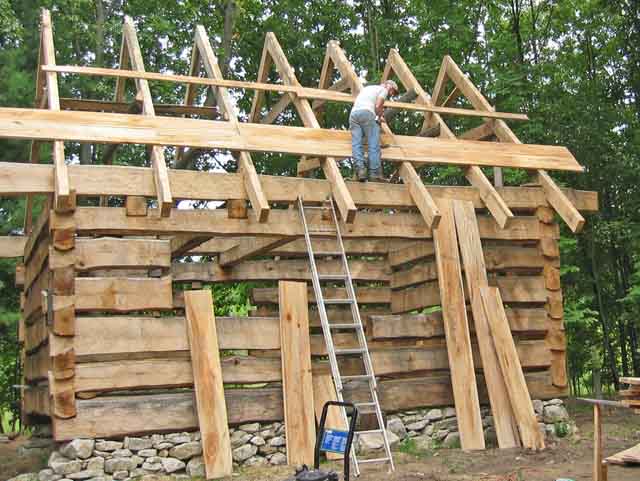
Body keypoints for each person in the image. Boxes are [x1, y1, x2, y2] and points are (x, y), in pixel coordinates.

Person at [349, 80, 399, 182]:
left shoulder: (367, 88)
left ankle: (360, 171)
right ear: (387, 85)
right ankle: (375, 174)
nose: (390, 94)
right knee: (374, 145)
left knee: (356, 143)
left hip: (353, 115)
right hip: (367, 113)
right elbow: (378, 105)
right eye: (392, 91)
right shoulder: (383, 89)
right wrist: (380, 116)